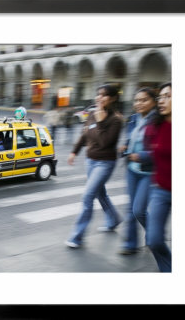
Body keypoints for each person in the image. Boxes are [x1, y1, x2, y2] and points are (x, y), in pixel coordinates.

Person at [65, 84, 123, 248]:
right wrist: (74, 152)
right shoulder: (91, 113)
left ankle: (77, 236)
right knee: (100, 194)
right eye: (98, 94)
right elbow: (85, 135)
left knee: (88, 196)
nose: (99, 97)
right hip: (90, 161)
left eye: (104, 95)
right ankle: (114, 219)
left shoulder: (116, 120)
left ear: (113, 98)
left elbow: (105, 142)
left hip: (105, 163)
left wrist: (100, 121)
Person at [117, 87, 157, 255]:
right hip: (132, 170)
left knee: (138, 210)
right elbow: (129, 136)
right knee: (131, 209)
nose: (139, 103)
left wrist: (140, 156)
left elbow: (160, 149)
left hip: (148, 172)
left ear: (153, 102)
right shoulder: (133, 118)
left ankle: (154, 235)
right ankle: (131, 244)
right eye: (137, 100)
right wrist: (125, 145)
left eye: (144, 100)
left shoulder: (159, 120)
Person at [144, 82, 172, 272]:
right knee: (153, 240)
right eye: (160, 97)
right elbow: (151, 152)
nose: (162, 100)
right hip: (161, 189)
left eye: (168, 96)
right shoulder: (156, 125)